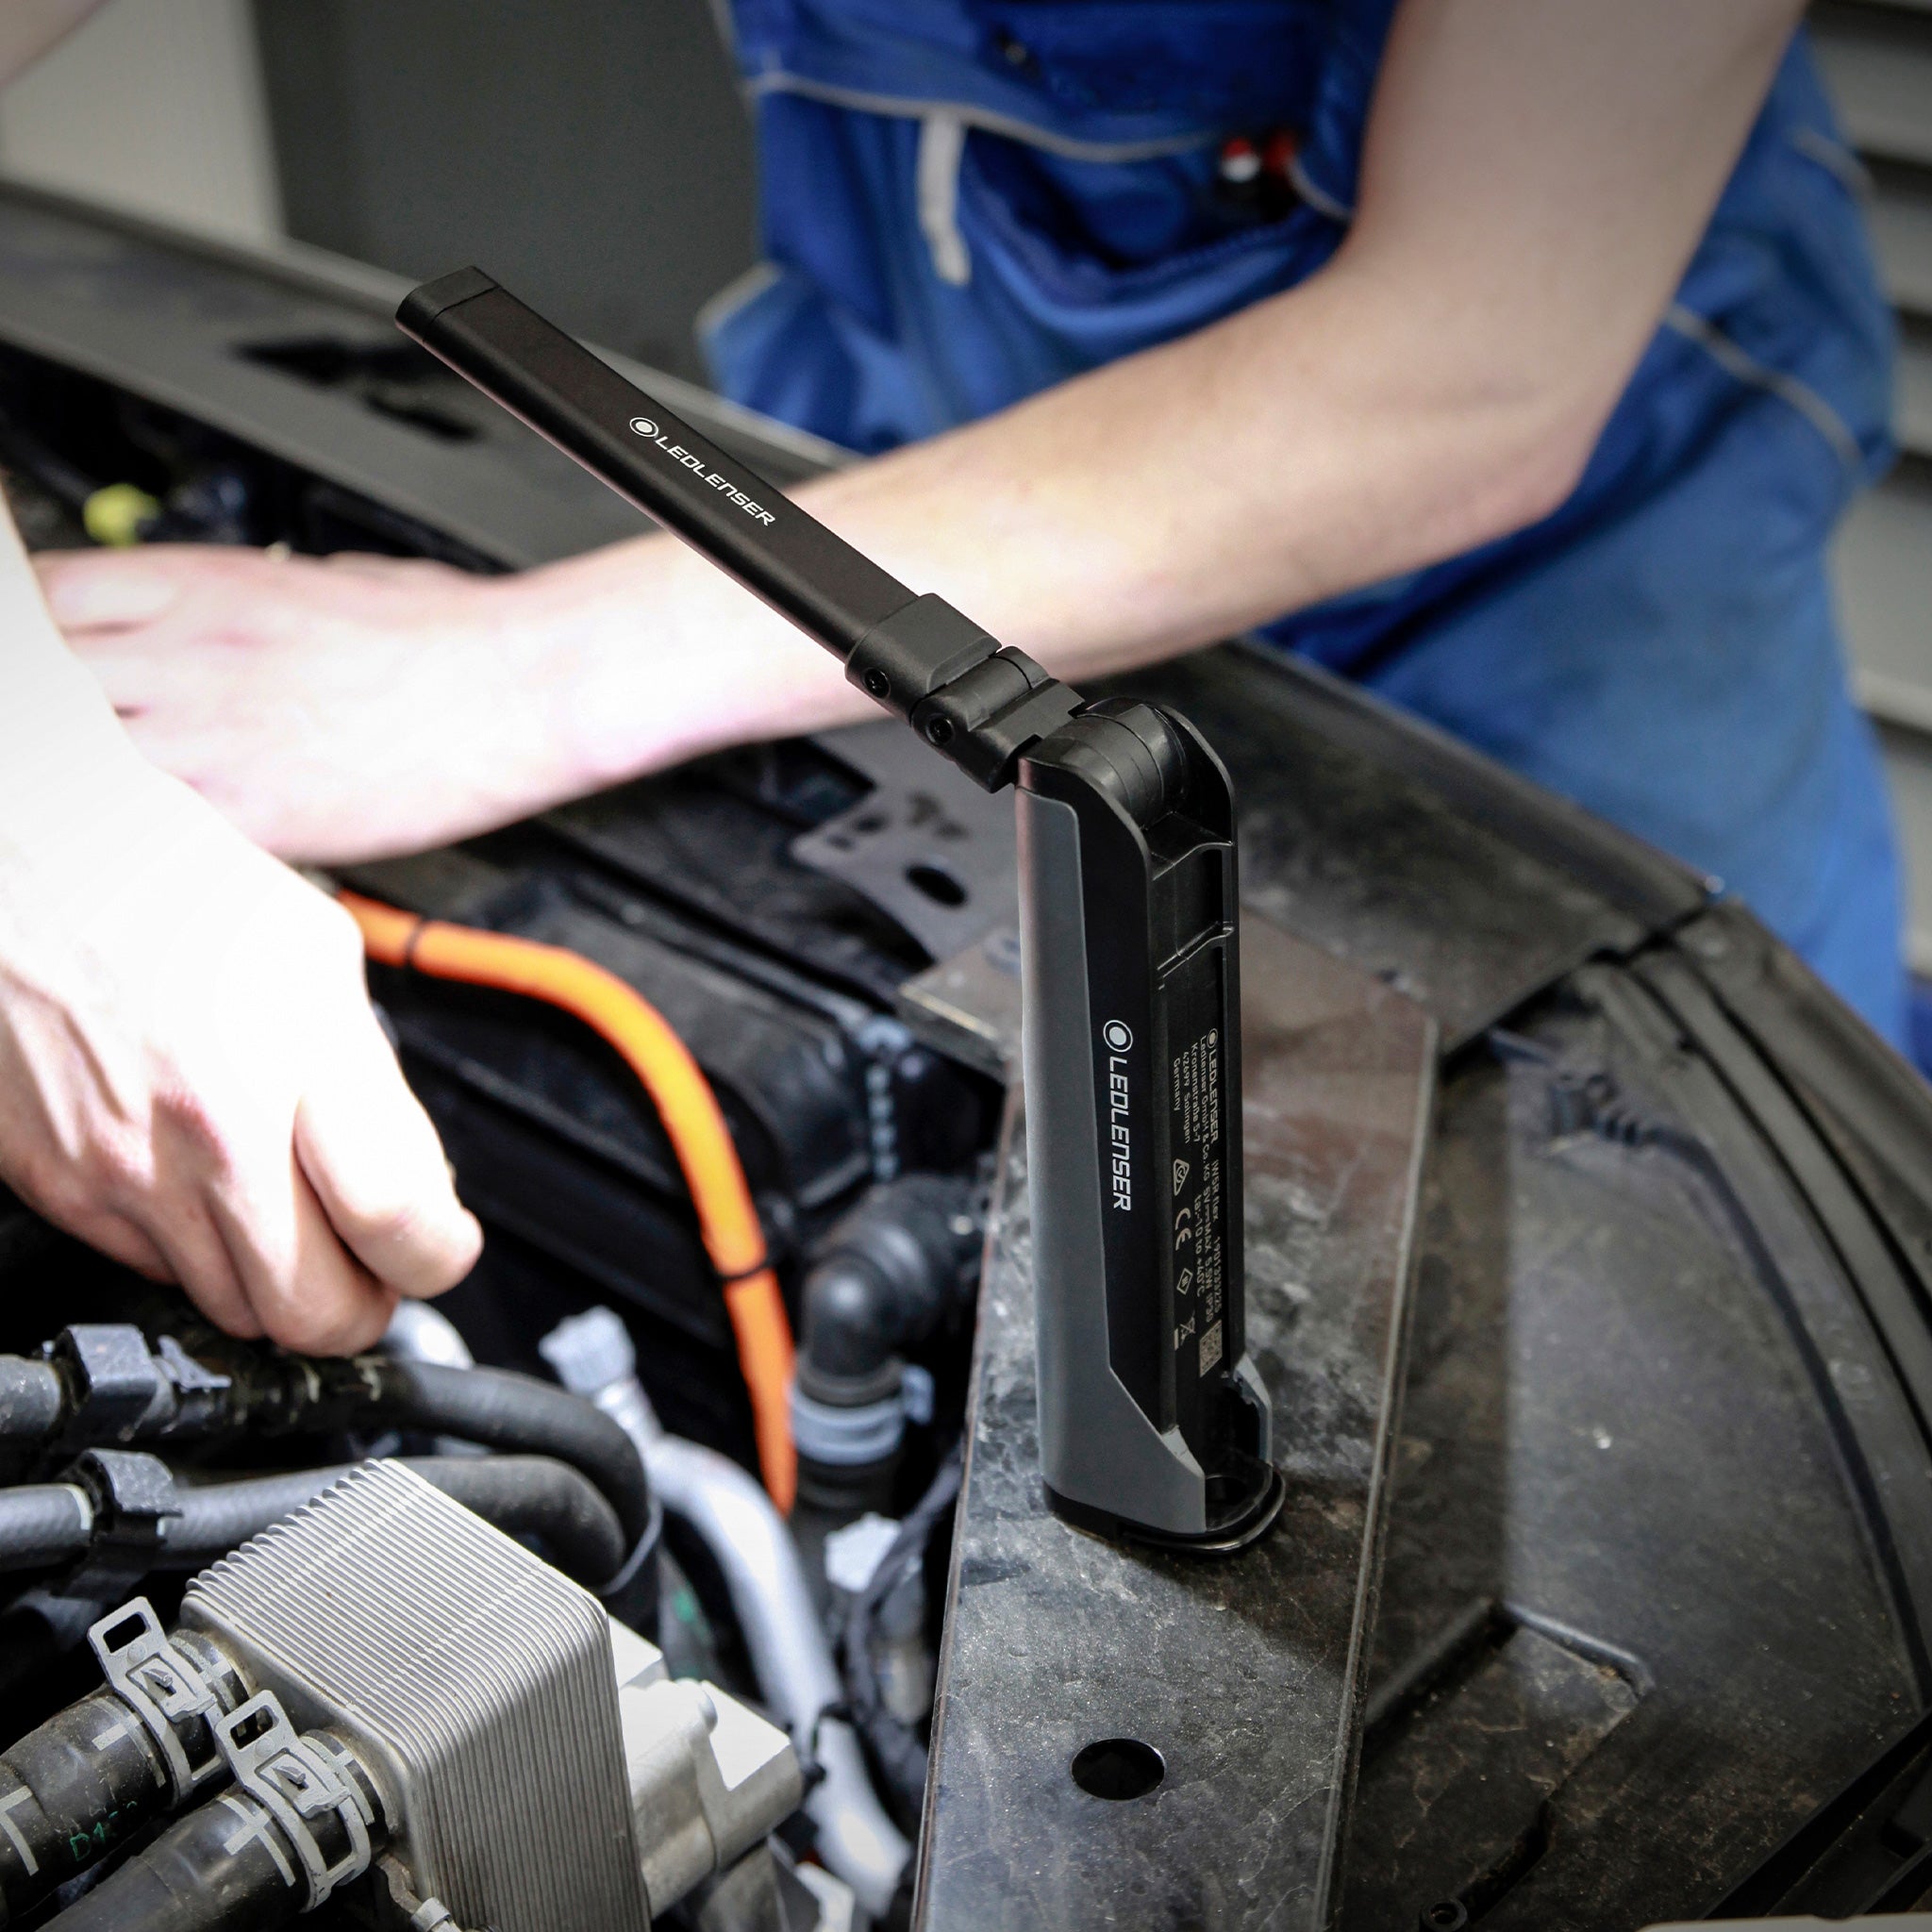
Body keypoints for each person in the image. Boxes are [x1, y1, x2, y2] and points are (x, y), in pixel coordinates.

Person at [3, 0, 1900, 1345]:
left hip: (1548, 650)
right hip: (928, 507)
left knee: (1713, 1295)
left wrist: (503, 680)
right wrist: (41, 807)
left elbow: (1473, 359)